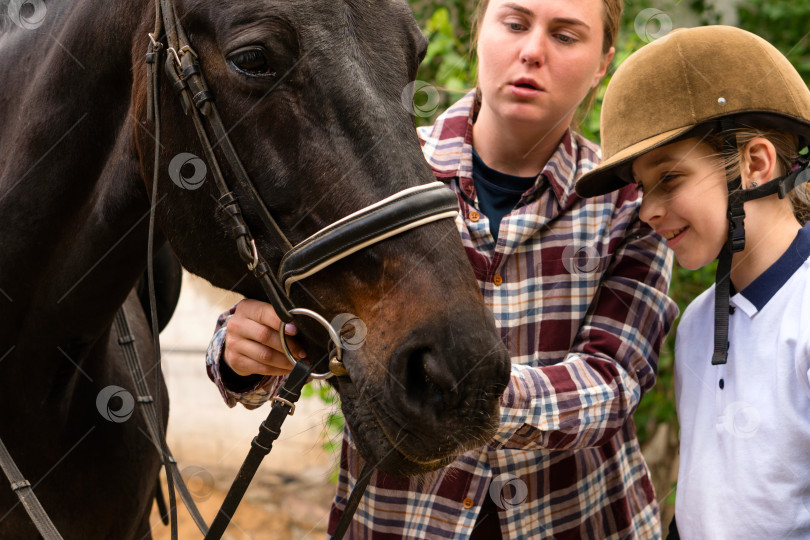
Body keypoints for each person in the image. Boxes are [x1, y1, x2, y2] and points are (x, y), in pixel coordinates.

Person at [206, 0, 679, 537]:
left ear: (602, 63)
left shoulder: (629, 204)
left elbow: (614, 379)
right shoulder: (375, 171)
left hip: (579, 518)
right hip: (401, 522)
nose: (532, 51)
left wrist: (470, 388)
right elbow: (287, 306)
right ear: (481, 32)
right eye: (516, 23)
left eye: (566, 36)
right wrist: (242, 352)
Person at [576, 25, 810, 539]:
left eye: (669, 179)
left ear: (754, 164)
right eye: (641, 187)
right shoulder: (697, 323)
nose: (649, 211)